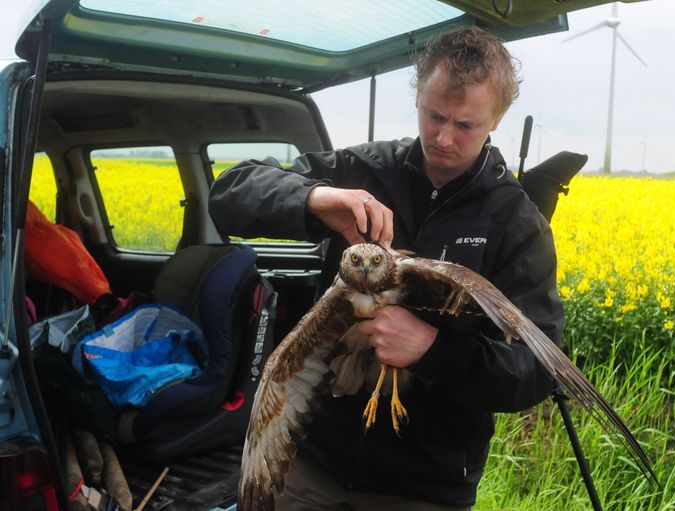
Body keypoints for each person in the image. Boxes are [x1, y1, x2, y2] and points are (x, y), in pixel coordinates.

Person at [209, 26, 564, 511]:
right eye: (434, 115)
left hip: (422, 487)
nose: (443, 137)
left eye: (465, 126)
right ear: (417, 96)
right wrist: (316, 198)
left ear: (496, 119)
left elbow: (537, 373)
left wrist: (432, 349)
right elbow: (229, 193)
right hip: (314, 466)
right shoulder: (364, 170)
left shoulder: (516, 223)